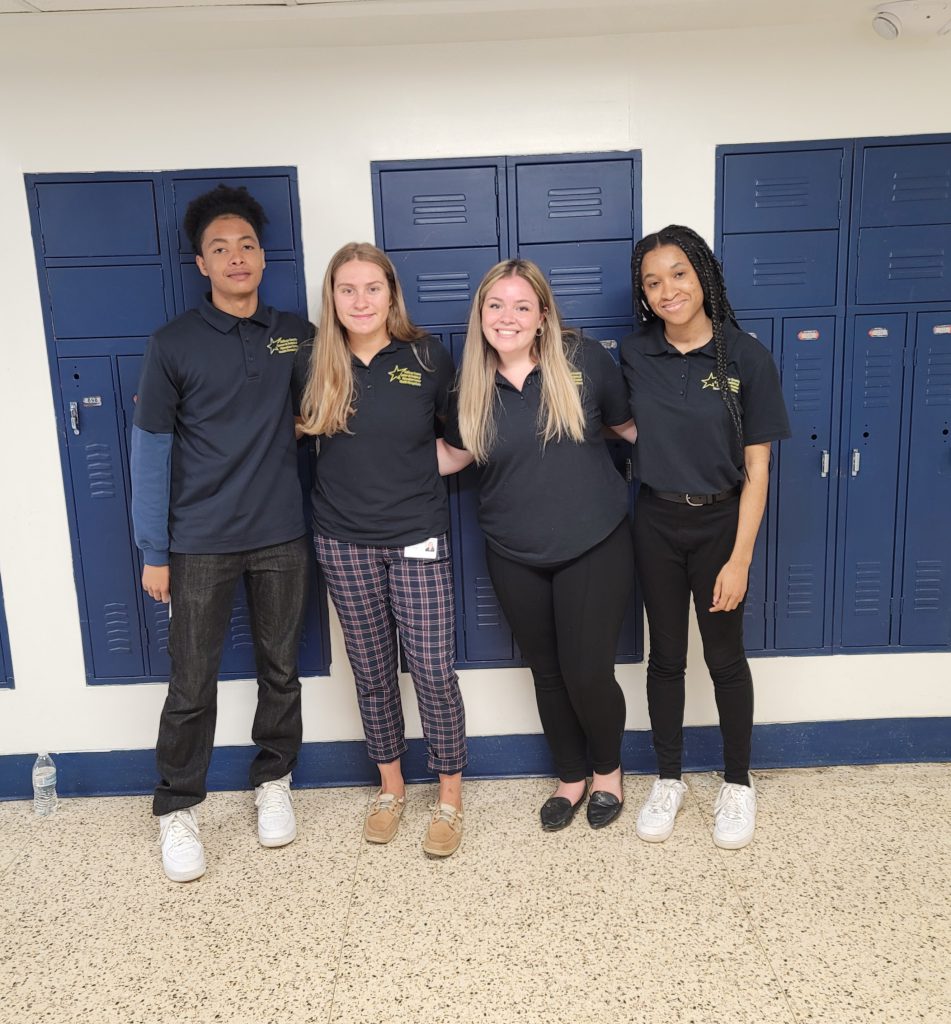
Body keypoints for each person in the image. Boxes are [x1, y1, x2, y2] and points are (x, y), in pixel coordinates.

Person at [131, 185, 312, 882]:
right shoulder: (172, 343)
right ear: (201, 265)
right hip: (198, 541)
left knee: (280, 669)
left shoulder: (295, 332)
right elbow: (151, 452)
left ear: (263, 256)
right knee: (191, 682)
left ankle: (274, 783)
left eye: (246, 245)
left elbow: (329, 396)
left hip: (281, 535)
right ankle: (177, 809)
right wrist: (154, 552)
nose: (236, 257)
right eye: (219, 248)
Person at [438, 259, 636, 832]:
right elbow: (452, 456)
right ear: (480, 315)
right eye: (495, 305)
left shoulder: (585, 362)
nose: (508, 317)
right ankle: (570, 777)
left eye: (522, 306)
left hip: (593, 542)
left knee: (587, 670)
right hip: (512, 551)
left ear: (543, 316)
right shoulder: (469, 384)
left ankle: (607, 773)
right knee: (546, 672)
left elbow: (630, 431)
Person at [620, 224, 791, 850]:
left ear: (703, 275)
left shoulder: (745, 355)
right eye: (653, 281)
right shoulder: (635, 353)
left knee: (724, 657)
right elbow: (618, 422)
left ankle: (738, 784)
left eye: (679, 274)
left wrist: (740, 558)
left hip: (721, 525)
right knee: (665, 657)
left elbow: (758, 469)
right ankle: (669, 779)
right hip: (657, 522)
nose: (668, 290)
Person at [298, 243, 466, 858]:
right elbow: (287, 428)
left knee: (431, 670)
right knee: (371, 673)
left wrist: (412, 471)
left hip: (417, 535)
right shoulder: (318, 360)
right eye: (348, 289)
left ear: (391, 293)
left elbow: (465, 436)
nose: (360, 300)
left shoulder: (426, 355)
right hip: (341, 541)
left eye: (373, 288)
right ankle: (391, 787)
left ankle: (449, 795)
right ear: (332, 297)